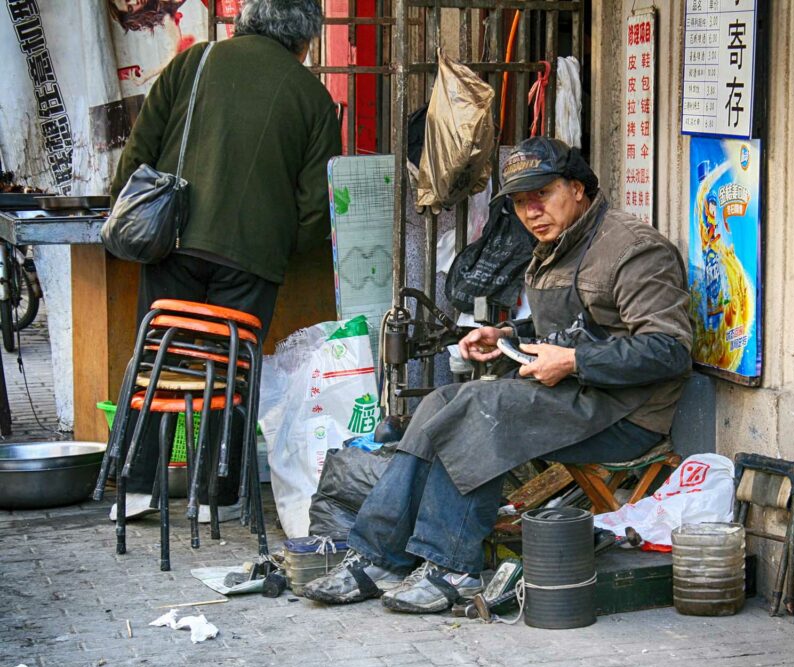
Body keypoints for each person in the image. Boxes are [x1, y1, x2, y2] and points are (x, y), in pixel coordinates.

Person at [304, 136, 693, 613]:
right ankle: (376, 556)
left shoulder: (632, 249)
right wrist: (505, 333)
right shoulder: (556, 244)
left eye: (542, 196)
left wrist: (572, 362)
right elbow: (574, 324)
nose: (532, 212)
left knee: (481, 410)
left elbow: (669, 350)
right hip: (573, 396)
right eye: (521, 202)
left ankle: (452, 568)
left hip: (627, 414)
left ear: (576, 188)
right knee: (440, 403)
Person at [107, 0, 342, 522]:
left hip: (174, 242)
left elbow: (136, 156)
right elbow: (315, 210)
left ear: (245, 21)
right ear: (307, 41)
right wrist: (274, 241)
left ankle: (136, 490)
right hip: (253, 259)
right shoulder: (314, 98)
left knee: (157, 360)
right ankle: (213, 497)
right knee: (232, 369)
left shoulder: (195, 62)